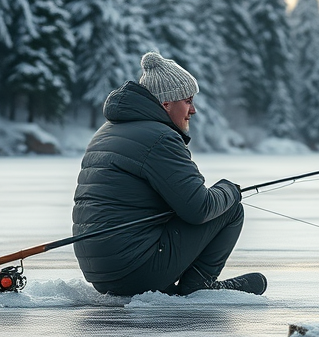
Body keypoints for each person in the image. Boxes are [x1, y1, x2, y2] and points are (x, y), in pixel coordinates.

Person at [72, 51, 267, 297]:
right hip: (134, 269)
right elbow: (200, 208)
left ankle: (169, 281)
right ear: (166, 103)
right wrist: (230, 189)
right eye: (188, 101)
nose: (193, 110)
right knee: (230, 209)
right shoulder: (159, 138)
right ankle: (198, 285)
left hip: (101, 272)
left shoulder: (106, 132)